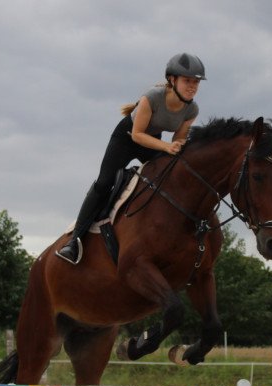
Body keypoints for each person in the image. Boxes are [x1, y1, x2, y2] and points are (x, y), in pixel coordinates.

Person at [56, 53, 206, 264]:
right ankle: (74, 241)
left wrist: (179, 146)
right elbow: (137, 135)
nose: (193, 87)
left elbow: (178, 141)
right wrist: (166, 146)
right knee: (104, 183)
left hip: (152, 140)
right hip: (126, 138)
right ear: (172, 80)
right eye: (187, 81)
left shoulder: (192, 109)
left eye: (196, 82)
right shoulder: (152, 96)